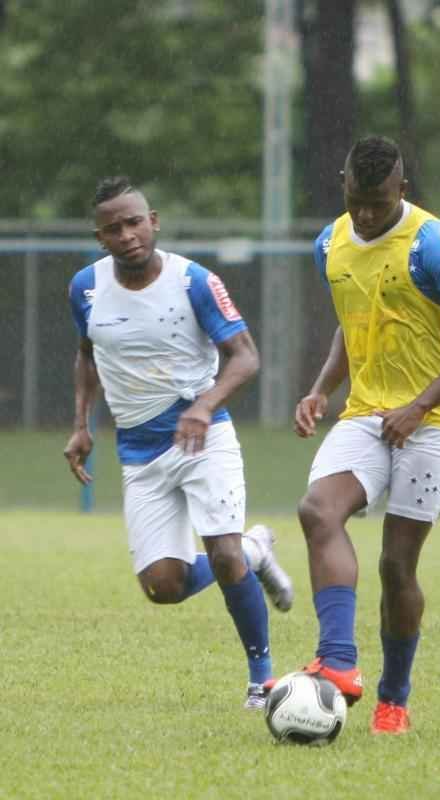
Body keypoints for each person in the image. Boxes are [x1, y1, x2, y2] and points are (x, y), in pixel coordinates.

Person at [292, 135, 440, 733]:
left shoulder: (431, 244)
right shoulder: (329, 243)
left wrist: (419, 406)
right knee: (317, 511)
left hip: (434, 421)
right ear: (343, 184)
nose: (365, 215)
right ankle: (337, 663)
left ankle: (394, 699)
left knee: (395, 566)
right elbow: (350, 323)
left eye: (379, 204)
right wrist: (320, 389)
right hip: (366, 410)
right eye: (357, 200)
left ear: (402, 192)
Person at [63, 176, 293, 710]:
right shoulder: (85, 288)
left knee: (223, 553)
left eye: (134, 222)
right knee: (162, 586)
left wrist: (204, 406)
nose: (126, 235)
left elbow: (245, 356)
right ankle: (257, 548)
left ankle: (262, 677)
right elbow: (86, 355)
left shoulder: (194, 281)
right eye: (113, 228)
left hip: (202, 436)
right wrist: (81, 424)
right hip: (138, 451)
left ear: (154, 221)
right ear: (100, 238)